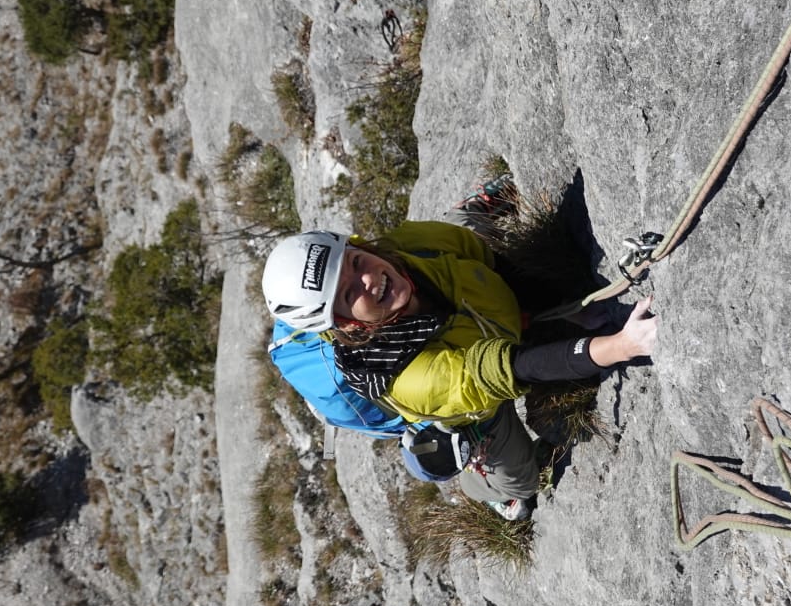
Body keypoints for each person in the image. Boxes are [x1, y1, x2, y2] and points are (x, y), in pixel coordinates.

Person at [261, 215, 657, 521]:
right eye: (349, 293)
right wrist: (620, 346)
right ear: (347, 324)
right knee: (521, 480)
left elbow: (488, 260)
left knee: (468, 243)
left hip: (487, 328)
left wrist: (561, 308)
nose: (370, 278)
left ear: (359, 245)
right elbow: (505, 370)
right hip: (469, 403)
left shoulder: (412, 246)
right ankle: (479, 483)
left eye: (355, 261)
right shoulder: (407, 378)